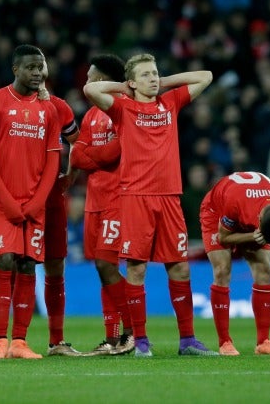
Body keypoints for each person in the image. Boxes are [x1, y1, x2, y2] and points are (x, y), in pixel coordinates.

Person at [83, 53, 218, 357]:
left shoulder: (170, 104)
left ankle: (188, 340)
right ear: (131, 81)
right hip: (135, 197)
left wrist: (163, 84)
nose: (153, 78)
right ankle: (141, 341)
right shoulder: (122, 108)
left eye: (155, 73)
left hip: (170, 196)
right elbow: (91, 91)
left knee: (180, 267)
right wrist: (126, 89)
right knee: (137, 268)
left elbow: (206, 75)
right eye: (145, 75)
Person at [0, 44, 61, 360]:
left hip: (34, 204)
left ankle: (19, 342)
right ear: (16, 69)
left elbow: (53, 161)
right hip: (2, 202)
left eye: (41, 67)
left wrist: (38, 201)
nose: (37, 72)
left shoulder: (48, 109)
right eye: (31, 67)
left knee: (28, 264)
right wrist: (9, 201)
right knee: (5, 260)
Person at [69, 54, 135, 356]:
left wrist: (91, 156)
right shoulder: (92, 113)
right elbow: (77, 157)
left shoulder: (122, 108)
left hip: (116, 198)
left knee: (106, 264)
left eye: (91, 77)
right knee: (101, 269)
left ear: (104, 79)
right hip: (94, 201)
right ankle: (112, 338)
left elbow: (116, 152)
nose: (86, 82)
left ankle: (133, 332)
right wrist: (95, 155)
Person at [200, 171, 270, 356]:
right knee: (222, 270)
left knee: (265, 269)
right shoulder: (235, 202)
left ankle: (263, 343)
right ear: (258, 221)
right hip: (217, 211)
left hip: (249, 212)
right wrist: (252, 236)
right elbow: (224, 238)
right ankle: (225, 342)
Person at [39, 65, 83, 357]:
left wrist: (70, 174)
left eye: (41, 69)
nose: (37, 74)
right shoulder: (4, 104)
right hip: (19, 196)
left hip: (53, 198)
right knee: (16, 264)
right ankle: (5, 340)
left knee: (56, 265)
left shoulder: (59, 108)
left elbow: (77, 143)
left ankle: (56, 341)